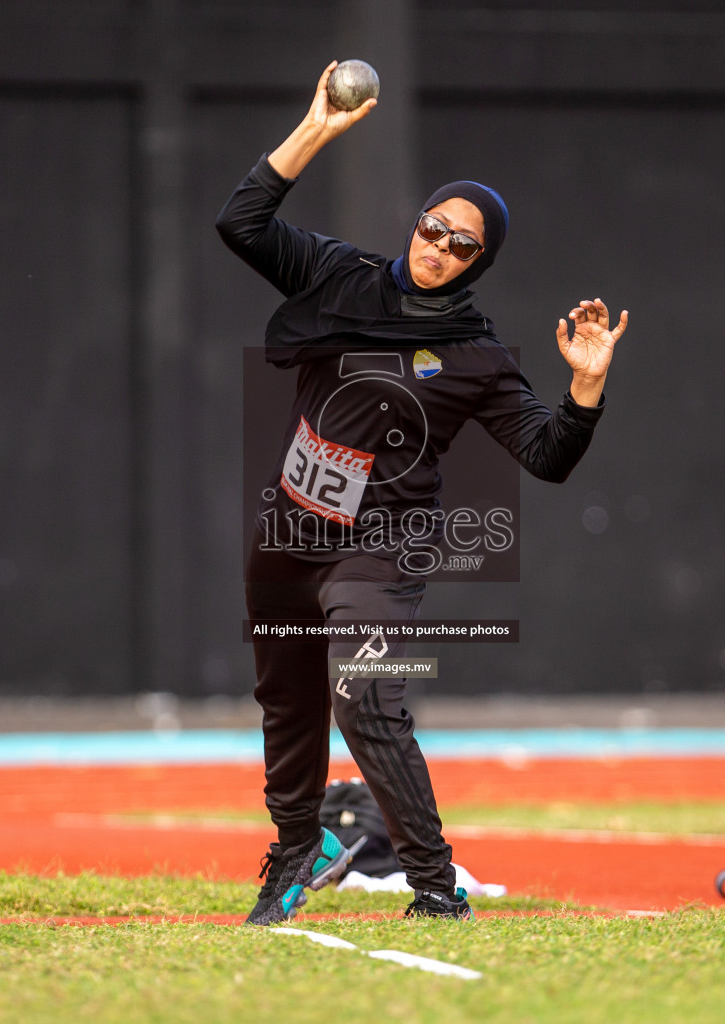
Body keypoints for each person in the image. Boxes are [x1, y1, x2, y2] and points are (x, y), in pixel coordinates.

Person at [217, 62, 626, 924]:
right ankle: (299, 849)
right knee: (287, 700)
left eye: (460, 243)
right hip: (289, 530)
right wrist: (318, 128)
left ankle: (437, 889)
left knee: (368, 698)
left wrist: (586, 386)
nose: (436, 245)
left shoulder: (477, 354)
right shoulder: (342, 277)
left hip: (382, 546)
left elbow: (548, 456)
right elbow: (241, 222)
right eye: (432, 226)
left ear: (481, 261)